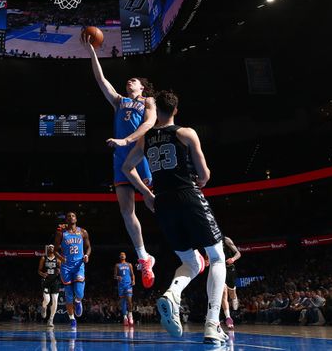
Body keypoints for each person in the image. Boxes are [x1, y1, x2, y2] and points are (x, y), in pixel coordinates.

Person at [122, 90, 227, 344]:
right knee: (217, 257)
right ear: (176, 111)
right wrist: (199, 178)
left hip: (163, 204)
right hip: (187, 195)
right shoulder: (186, 133)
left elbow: (127, 168)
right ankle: (212, 324)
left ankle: (172, 294)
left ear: (156, 110)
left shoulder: (145, 139)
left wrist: (146, 194)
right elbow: (204, 176)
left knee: (192, 262)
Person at [85, 40, 157, 288]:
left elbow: (149, 124)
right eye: (128, 81)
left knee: (154, 205)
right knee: (127, 212)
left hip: (138, 154)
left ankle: (188, 242)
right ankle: (144, 257)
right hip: (119, 157)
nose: (129, 82)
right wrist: (93, 53)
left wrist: (126, 139)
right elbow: (101, 79)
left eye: (133, 80)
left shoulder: (147, 102)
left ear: (142, 87)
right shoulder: (119, 101)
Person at [55, 212, 91, 330]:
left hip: (79, 265)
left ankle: (78, 300)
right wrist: (61, 258)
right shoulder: (61, 232)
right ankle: (72, 319)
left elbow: (89, 247)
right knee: (68, 295)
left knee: (79, 292)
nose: (71, 217)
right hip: (66, 266)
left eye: (73, 216)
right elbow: (55, 250)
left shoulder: (83, 232)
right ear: (66, 219)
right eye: (69, 216)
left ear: (76, 219)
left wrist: (86, 255)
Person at [38, 244, 61, 327]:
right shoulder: (44, 258)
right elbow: (39, 271)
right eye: (49, 247)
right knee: (47, 300)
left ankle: (51, 319)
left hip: (55, 281)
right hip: (46, 281)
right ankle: (44, 307)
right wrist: (42, 274)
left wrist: (59, 271)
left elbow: (61, 269)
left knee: (55, 300)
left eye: (52, 247)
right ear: (47, 249)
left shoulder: (58, 259)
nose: (51, 248)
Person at [221, 236, 242, 329]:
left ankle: (234, 298)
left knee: (232, 294)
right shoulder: (211, 241)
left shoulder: (226, 240)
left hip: (230, 269)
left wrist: (233, 259)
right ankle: (228, 318)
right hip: (220, 269)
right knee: (223, 293)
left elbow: (238, 253)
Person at [115, 252, 136, 326]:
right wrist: (117, 277)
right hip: (121, 285)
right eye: (121, 254)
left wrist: (133, 280)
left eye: (123, 254)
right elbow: (115, 276)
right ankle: (125, 317)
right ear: (119, 256)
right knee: (123, 302)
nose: (122, 255)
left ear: (125, 256)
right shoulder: (117, 265)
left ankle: (130, 315)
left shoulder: (129, 264)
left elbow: (132, 274)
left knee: (129, 300)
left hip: (128, 284)